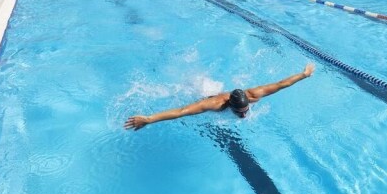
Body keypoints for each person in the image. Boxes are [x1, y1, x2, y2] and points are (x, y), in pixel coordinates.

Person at [124, 63, 316, 130]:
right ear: (230, 107)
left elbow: (282, 84)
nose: (243, 116)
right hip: (206, 93)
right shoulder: (215, 105)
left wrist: (304, 75)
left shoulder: (254, 95)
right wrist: (149, 119)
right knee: (192, 90)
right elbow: (181, 112)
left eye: (245, 111)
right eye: (239, 112)